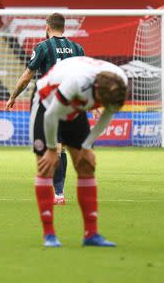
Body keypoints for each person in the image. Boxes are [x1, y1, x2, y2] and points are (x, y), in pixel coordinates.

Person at [30, 56, 127, 248]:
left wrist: (87, 146)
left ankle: (91, 234)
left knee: (86, 166)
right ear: (96, 89)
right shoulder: (77, 81)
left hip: (75, 109)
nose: (101, 106)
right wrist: (51, 150)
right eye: (100, 102)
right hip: (47, 104)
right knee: (47, 166)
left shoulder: (119, 83)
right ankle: (49, 235)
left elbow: (107, 114)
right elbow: (51, 115)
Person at [7, 12, 85, 205]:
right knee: (62, 149)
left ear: (47, 27)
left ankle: (57, 193)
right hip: (71, 104)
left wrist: (13, 96)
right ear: (64, 28)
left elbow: (26, 76)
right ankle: (59, 192)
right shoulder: (77, 48)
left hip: (50, 104)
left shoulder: (43, 47)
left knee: (54, 148)